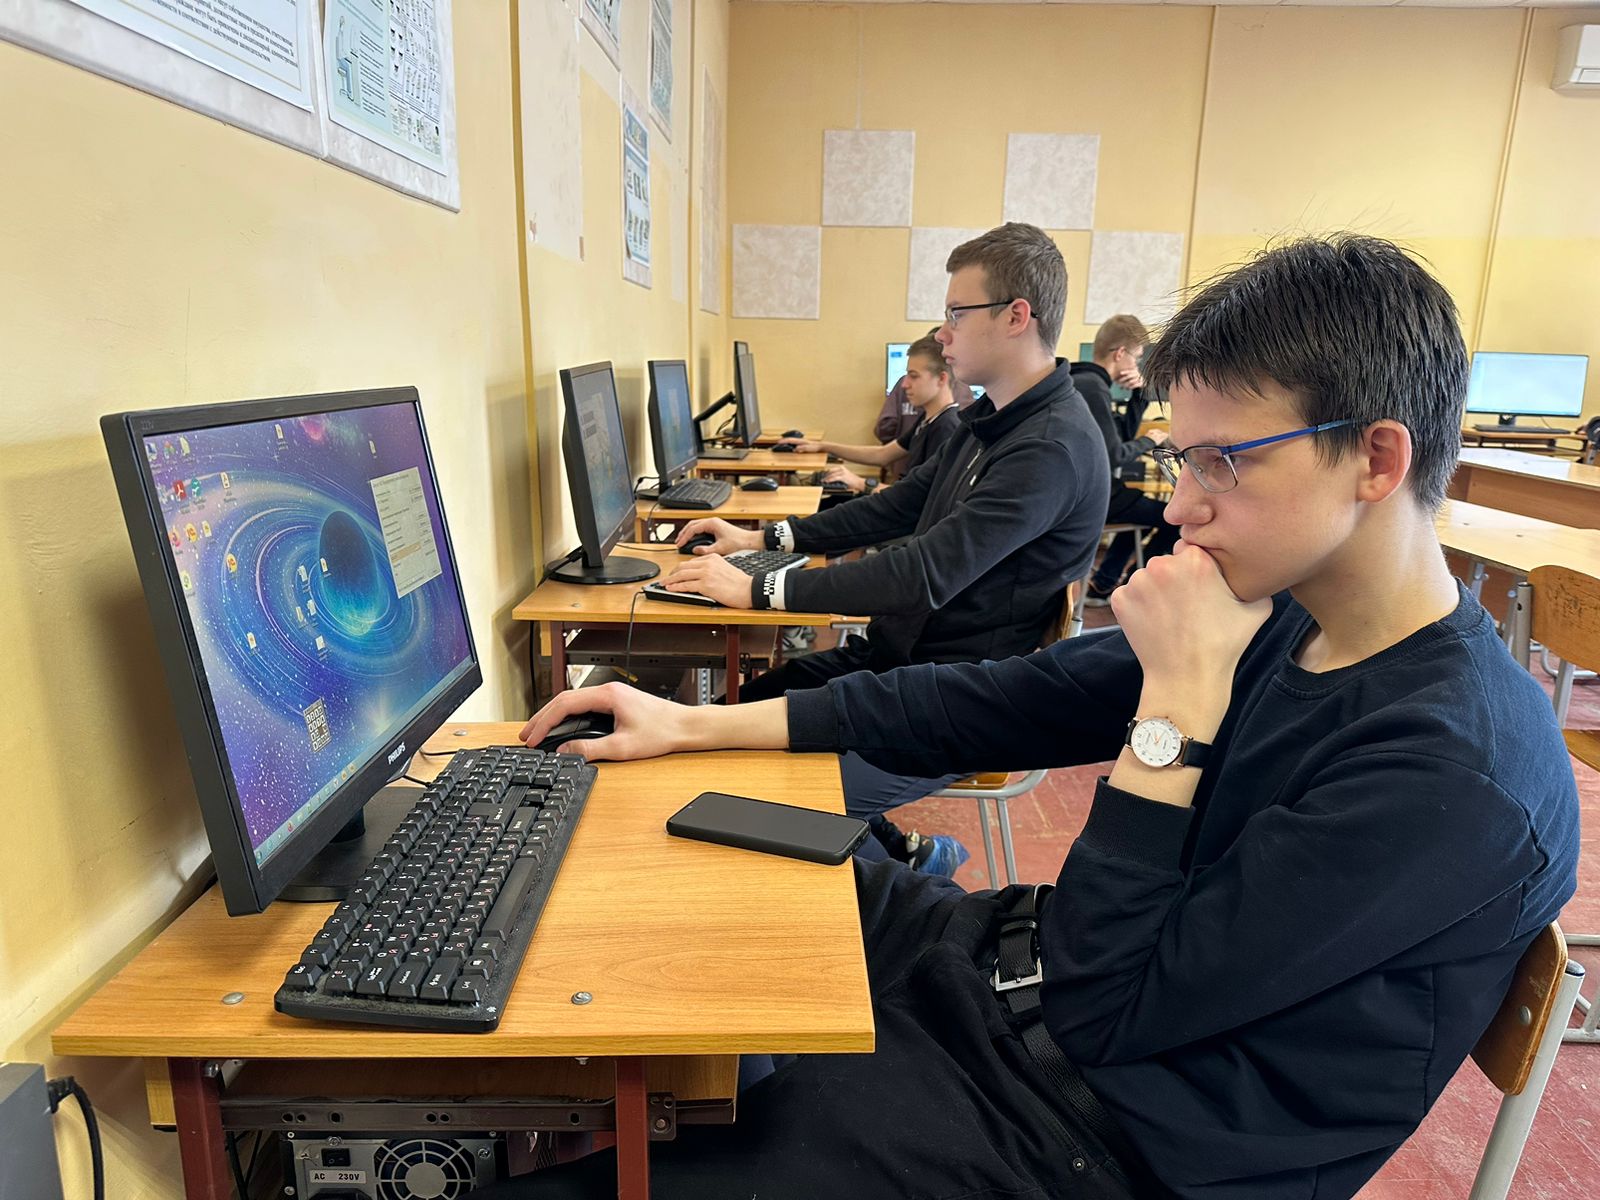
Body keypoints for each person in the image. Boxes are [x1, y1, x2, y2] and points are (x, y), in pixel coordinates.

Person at [506, 234, 1580, 1200]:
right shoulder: (1285, 613)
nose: (1179, 504)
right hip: (1006, 976)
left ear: (1377, 461)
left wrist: (1175, 712)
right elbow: (988, 704)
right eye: (1183, 457)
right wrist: (687, 727)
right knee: (684, 848)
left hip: (1079, 1132)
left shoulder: (1455, 775)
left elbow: (1105, 1005)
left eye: (1224, 461)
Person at [659, 222, 1109, 831]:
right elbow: (896, 506)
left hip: (954, 698)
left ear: (1015, 317)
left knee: (756, 795)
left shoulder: (1050, 448)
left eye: (956, 313)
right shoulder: (992, 419)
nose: (943, 334)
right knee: (750, 705)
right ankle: (907, 851)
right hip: (899, 660)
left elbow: (923, 575)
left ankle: (898, 866)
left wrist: (760, 588)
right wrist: (760, 539)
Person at [1072, 315, 1181, 604]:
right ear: (1120, 353)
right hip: (1096, 497)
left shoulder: (1086, 382)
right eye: (1137, 358)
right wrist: (1152, 440)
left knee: (1142, 515)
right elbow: (1115, 455)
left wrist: (1139, 394)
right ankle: (1134, 585)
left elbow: (1121, 439)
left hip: (1094, 493)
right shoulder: (1092, 387)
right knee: (1175, 520)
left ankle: (1104, 582)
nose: (1136, 365)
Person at [779, 333, 962, 498]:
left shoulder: (946, 427)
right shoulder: (928, 420)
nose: (904, 384)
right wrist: (823, 446)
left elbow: (919, 500)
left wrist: (860, 483)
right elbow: (882, 455)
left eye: (913, 376)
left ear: (941, 379)